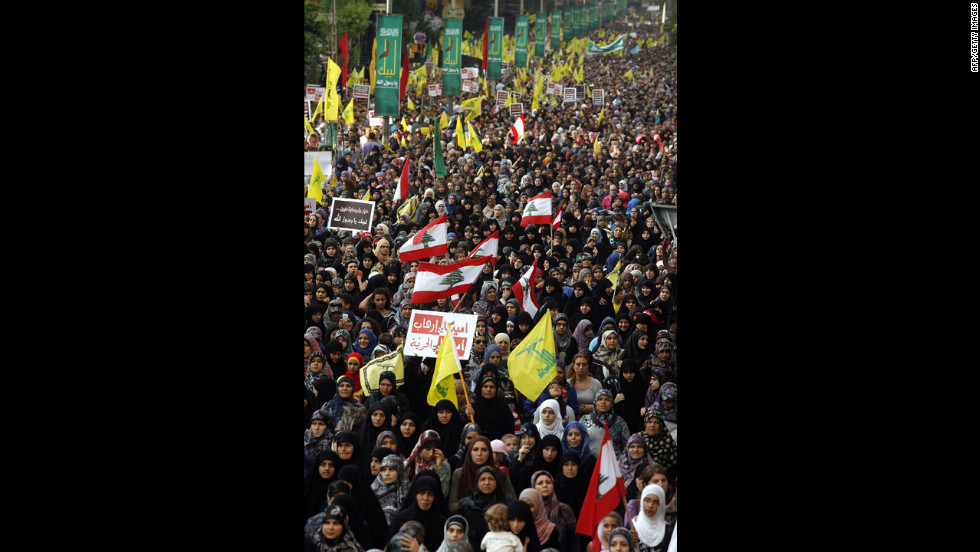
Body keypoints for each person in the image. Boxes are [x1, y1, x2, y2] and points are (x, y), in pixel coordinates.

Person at [458, 466, 518, 551]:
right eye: (482, 479)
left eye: (491, 479)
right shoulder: (467, 504)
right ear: (477, 482)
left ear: (496, 482)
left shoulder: (507, 502)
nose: (487, 483)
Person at [386, 472, 447, 552]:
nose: (425, 498)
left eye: (430, 494)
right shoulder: (401, 519)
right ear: (415, 495)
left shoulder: (441, 524)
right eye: (421, 493)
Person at [530, 470, 578, 552]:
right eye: (540, 483)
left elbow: (573, 542)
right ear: (533, 487)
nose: (545, 485)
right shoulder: (530, 510)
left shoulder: (564, 510)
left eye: (548, 482)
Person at [578, 389, 631, 458]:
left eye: (607, 399)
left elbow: (627, 445)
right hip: (590, 464)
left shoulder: (619, 421)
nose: (603, 402)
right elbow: (579, 443)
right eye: (600, 399)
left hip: (614, 464)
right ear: (595, 402)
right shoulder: (585, 419)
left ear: (612, 403)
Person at [403, 430, 452, 494]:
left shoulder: (444, 466)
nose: (431, 454)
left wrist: (439, 467)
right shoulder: (410, 464)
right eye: (427, 449)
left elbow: (443, 493)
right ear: (421, 448)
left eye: (434, 450)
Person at [635, 410, 677, 485]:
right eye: (649, 422)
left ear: (661, 425)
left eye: (656, 422)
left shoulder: (668, 443)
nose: (652, 425)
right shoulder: (637, 438)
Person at [629, 486, 673, 552]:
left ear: (660, 505)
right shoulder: (632, 526)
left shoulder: (668, 530)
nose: (650, 505)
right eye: (647, 500)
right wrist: (629, 541)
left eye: (655, 502)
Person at [372, 454, 412, 525]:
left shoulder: (407, 491)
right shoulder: (373, 491)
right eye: (384, 470)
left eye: (391, 469)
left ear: (399, 471)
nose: (387, 474)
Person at [567, 354, 603, 421]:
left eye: (584, 364)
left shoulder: (596, 384)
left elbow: (603, 404)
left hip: (592, 422)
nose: (581, 367)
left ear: (588, 366)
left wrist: (592, 407)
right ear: (573, 366)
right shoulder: (567, 384)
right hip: (572, 423)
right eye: (578, 364)